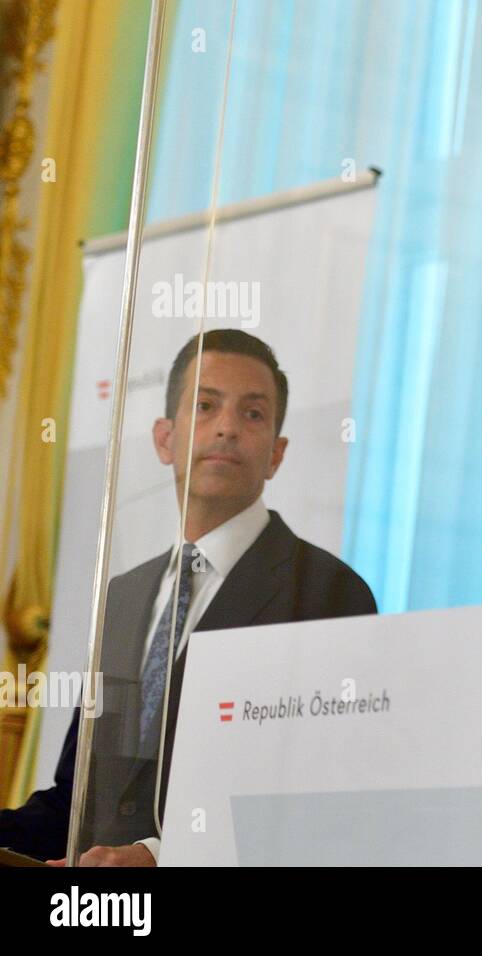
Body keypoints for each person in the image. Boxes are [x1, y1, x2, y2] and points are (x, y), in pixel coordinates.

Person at [0, 330, 376, 866]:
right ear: (164, 438)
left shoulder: (328, 592)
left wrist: (160, 856)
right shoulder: (124, 597)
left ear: (276, 453)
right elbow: (77, 802)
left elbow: (315, 806)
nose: (226, 426)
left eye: (252, 414)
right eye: (205, 406)